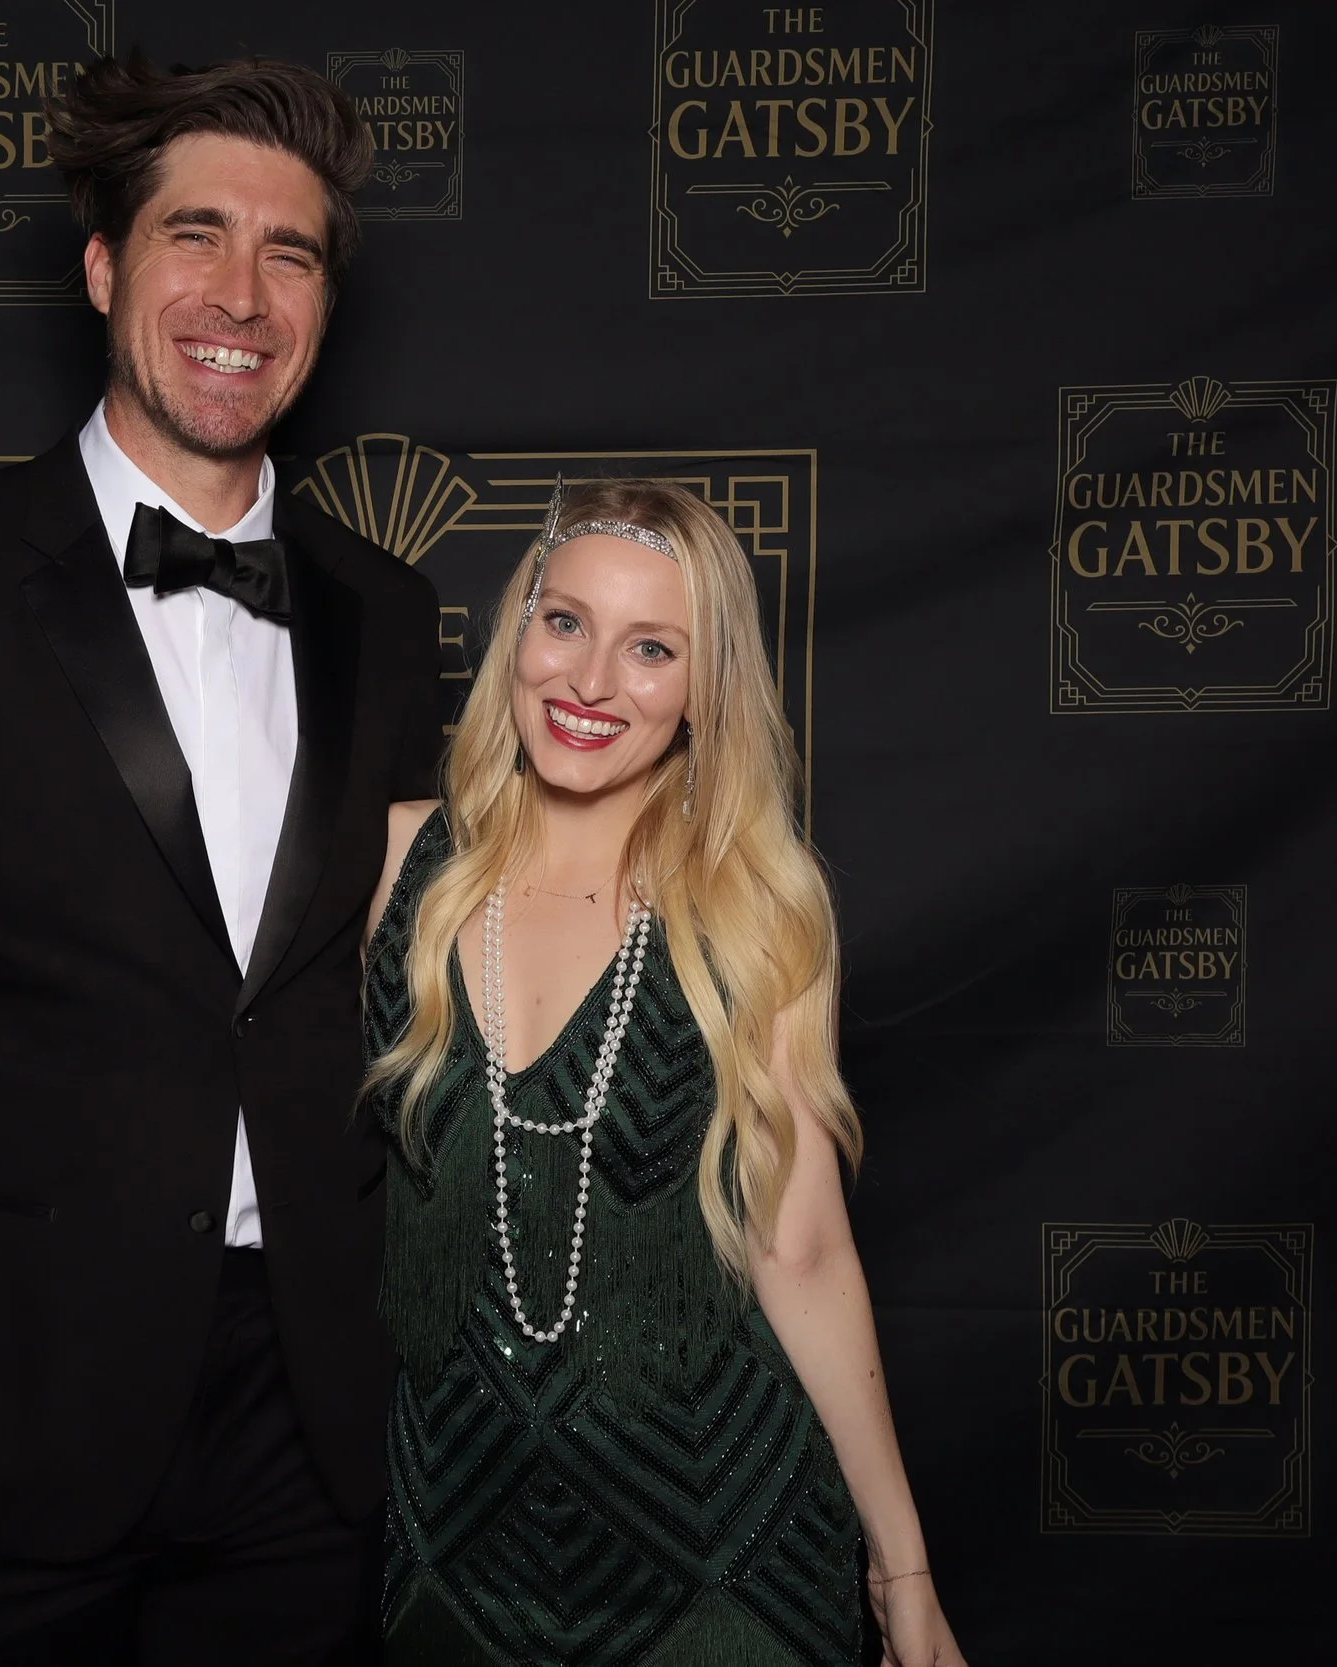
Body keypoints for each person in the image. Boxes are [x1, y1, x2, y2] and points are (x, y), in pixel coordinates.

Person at [0, 55, 440, 1666]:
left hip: (303, 1431)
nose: (240, 294)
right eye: (196, 234)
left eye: (290, 252)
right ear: (105, 267)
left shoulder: (386, 612)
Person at [362, 480, 966, 1667]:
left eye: (651, 649)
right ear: (517, 630)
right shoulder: (398, 866)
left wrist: (901, 1568)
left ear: (704, 686)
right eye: (565, 622)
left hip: (722, 1556)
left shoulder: (755, 908)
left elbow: (802, 1247)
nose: (590, 681)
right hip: (454, 1548)